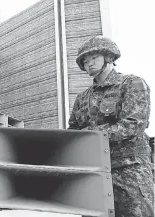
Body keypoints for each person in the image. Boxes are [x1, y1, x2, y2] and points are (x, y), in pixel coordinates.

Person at [68, 35, 154, 217]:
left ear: (108, 57)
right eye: (84, 61)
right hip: (94, 172)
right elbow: (73, 132)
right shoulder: (82, 98)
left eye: (93, 58)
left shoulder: (132, 84)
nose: (88, 64)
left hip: (129, 170)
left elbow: (134, 125)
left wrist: (92, 134)